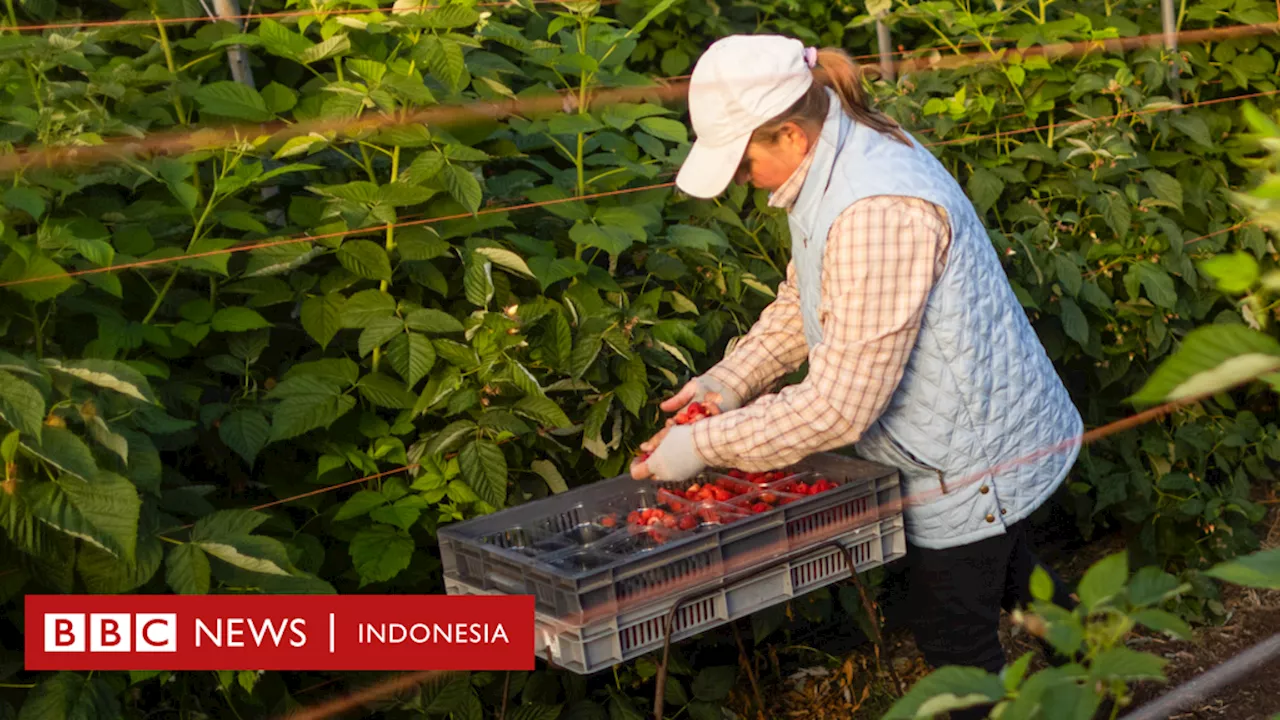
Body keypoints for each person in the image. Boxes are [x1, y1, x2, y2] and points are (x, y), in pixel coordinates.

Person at [627, 34, 1082, 714]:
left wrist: (701, 446)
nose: (742, 176)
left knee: (956, 648)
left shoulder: (877, 207)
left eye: (745, 157)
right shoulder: (835, 158)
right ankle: (1107, 684)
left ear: (786, 131)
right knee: (1020, 580)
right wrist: (727, 383)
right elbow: (806, 298)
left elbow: (839, 408)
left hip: (966, 455)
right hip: (963, 433)